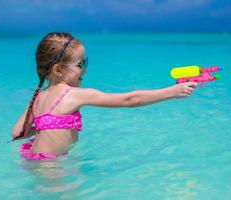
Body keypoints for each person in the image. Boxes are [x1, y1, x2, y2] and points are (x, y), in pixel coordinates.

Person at [12, 32, 197, 161]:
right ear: (58, 70)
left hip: (32, 158)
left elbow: (18, 133)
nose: (85, 68)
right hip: (53, 165)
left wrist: (47, 127)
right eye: (80, 64)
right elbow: (130, 100)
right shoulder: (74, 95)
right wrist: (171, 92)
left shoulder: (38, 97)